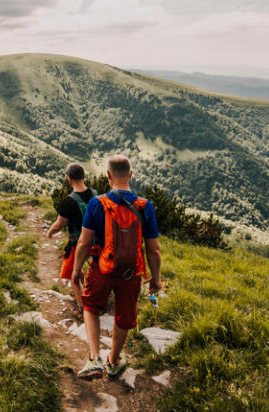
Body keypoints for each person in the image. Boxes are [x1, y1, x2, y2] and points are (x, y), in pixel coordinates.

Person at [71, 155, 162, 379]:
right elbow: (154, 249)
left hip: (101, 268)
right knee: (123, 317)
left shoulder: (96, 204)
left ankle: (94, 359)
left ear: (108, 176)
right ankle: (113, 361)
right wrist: (156, 278)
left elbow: (84, 242)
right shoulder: (145, 207)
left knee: (91, 307)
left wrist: (76, 270)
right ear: (130, 175)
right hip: (131, 273)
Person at [46, 163, 96, 312]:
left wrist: (49, 232)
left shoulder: (68, 201)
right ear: (83, 177)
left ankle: (82, 307)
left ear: (69, 178)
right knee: (96, 270)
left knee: (74, 274)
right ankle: (94, 296)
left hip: (78, 243)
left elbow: (59, 225)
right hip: (97, 241)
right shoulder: (95, 194)